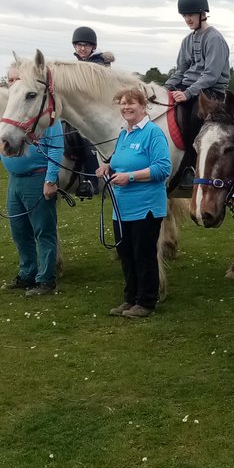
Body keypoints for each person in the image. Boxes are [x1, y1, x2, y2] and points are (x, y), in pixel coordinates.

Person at [0, 65, 62, 296]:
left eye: (17, 78)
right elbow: (8, 148)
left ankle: (46, 279)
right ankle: (28, 273)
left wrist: (50, 180)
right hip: (15, 181)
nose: (12, 82)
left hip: (36, 179)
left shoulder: (45, 117)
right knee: (19, 231)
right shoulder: (16, 113)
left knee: (43, 231)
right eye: (9, 79)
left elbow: (56, 149)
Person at [96, 87, 171, 318]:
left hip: (145, 207)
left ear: (143, 106)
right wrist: (109, 167)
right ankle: (130, 299)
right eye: (122, 103)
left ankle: (146, 301)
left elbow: (163, 168)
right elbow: (121, 161)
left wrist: (130, 177)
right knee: (126, 254)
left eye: (132, 103)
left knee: (143, 254)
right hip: (121, 209)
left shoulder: (153, 133)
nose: (126, 107)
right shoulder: (123, 134)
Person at [165, 0, 232, 188]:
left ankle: (190, 168)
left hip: (211, 91)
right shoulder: (187, 40)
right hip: (189, 86)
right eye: (184, 15)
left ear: (202, 14)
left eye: (190, 15)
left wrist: (187, 94)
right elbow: (180, 71)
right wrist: (163, 89)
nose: (187, 19)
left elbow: (211, 75)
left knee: (193, 118)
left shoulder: (214, 39)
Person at [69, 26, 113, 197]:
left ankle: (91, 181)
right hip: (79, 110)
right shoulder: (75, 65)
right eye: (79, 45)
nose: (82, 48)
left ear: (93, 47)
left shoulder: (99, 64)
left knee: (88, 141)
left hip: (98, 109)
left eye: (85, 45)